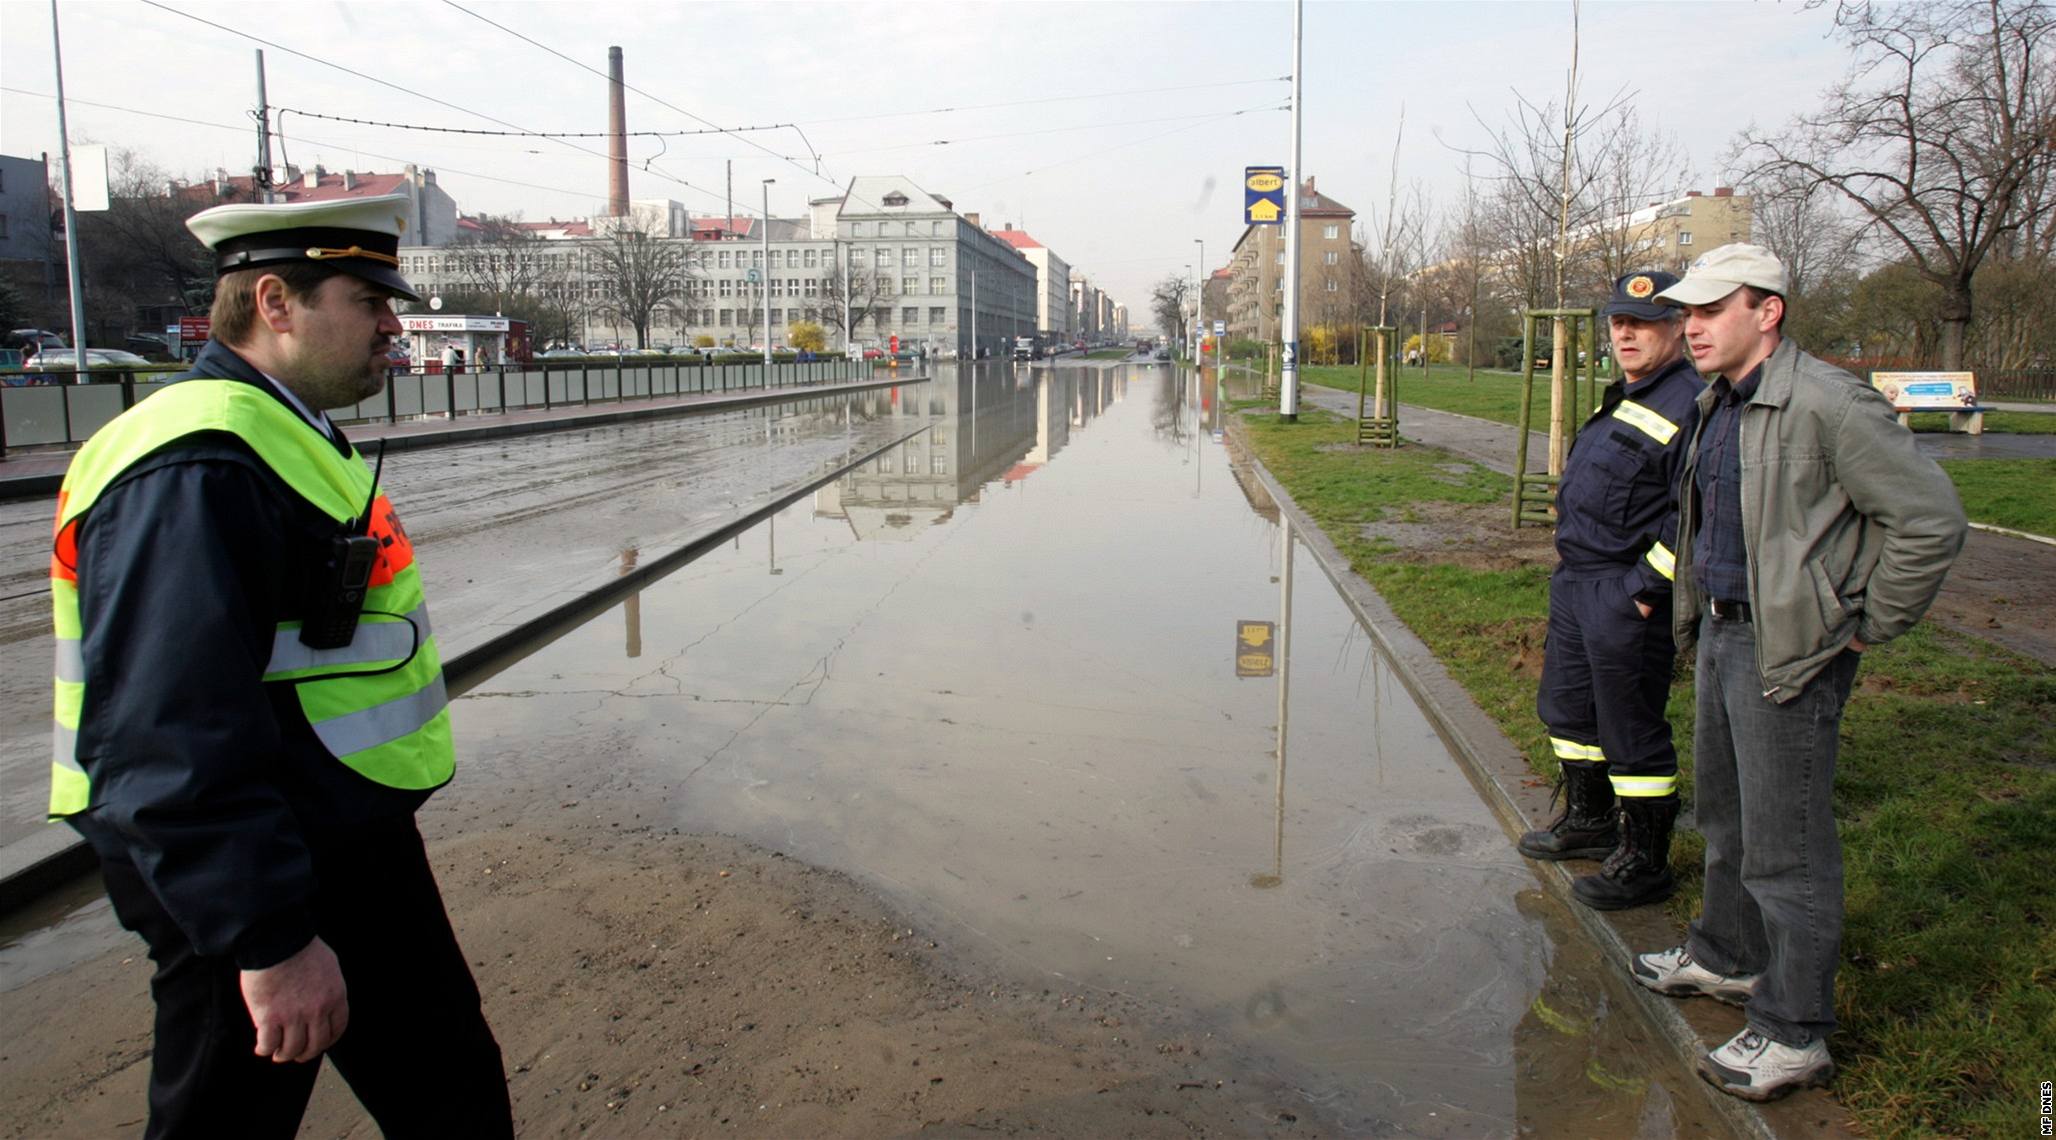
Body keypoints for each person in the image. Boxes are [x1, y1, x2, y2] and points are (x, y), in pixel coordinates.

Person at [47, 192, 512, 1138]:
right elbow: (163, 725)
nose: (394, 324)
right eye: (368, 300)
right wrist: (268, 938)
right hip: (253, 868)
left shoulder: (275, 429)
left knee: (451, 1088)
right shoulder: (198, 461)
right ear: (275, 302)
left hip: (328, 837)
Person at [1630, 244, 1966, 1101]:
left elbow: (1929, 520)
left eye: (1710, 312)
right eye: (1688, 314)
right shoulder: (1721, 402)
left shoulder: (1826, 401)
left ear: (1767, 310)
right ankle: (1726, 957)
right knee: (1726, 818)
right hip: (1722, 636)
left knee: (1789, 851)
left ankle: (1794, 1029)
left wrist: (1863, 625)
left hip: (1793, 652)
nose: (1690, 327)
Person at [1520, 271, 1700, 913]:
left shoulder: (1689, 403)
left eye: (1643, 323)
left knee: (1631, 727)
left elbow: (1692, 515)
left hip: (1622, 591)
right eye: (1619, 323)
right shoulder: (1629, 394)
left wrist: (1646, 589)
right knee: (1568, 711)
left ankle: (1646, 861)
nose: (1626, 333)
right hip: (1578, 582)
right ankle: (1591, 822)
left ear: (1678, 325)